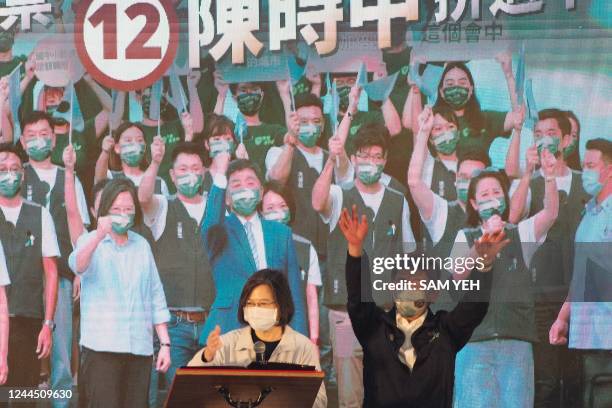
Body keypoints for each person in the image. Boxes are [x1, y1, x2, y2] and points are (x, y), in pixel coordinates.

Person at [340, 205, 501, 407]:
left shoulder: (445, 330)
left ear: (433, 292)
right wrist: (355, 249)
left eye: (418, 283)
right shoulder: (374, 327)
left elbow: (475, 307)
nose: (409, 288)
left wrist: (484, 264)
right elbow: (357, 299)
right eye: (403, 281)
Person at [312, 122, 416, 407]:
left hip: (386, 313)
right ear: (354, 159)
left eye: (376, 156)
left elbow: (408, 256)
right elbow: (316, 201)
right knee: (350, 397)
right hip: (346, 312)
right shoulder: (339, 194)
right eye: (364, 156)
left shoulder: (397, 199)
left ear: (385, 159)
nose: (370, 162)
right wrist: (332, 161)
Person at [449, 161, 559, 408]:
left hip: (516, 340)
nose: (492, 199)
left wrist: (550, 178)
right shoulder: (464, 237)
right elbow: (456, 275)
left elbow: (550, 214)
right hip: (474, 341)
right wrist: (480, 247)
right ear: (475, 204)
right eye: (485, 195)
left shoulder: (521, 234)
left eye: (497, 192)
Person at [508, 108, 589, 407]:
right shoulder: (530, 180)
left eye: (551, 134)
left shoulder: (587, 184)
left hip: (583, 294)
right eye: (538, 135)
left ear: (568, 140)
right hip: (540, 295)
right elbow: (513, 216)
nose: (544, 141)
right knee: (545, 378)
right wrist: (528, 173)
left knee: (580, 375)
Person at [68, 179, 171, 408]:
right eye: (116, 210)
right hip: (101, 350)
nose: (123, 215)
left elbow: (155, 294)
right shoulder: (90, 242)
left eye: (128, 209)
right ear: (103, 211)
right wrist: (98, 234)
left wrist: (164, 343)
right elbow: (77, 265)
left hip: (140, 350)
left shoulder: (142, 245)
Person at [19, 111, 90, 406]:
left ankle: (61, 403)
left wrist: (80, 274)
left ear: (54, 137)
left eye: (44, 133)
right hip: (19, 278)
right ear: (22, 141)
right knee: (20, 349)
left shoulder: (69, 177)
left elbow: (80, 231)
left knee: (61, 351)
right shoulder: (13, 174)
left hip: (60, 275)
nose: (38, 140)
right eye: (31, 135)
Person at [199, 156, 307, 343]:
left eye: (250, 182)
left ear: (261, 190)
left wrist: (300, 341)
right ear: (226, 197)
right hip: (229, 329)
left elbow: (294, 293)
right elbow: (209, 223)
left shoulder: (281, 233)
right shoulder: (219, 230)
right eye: (236, 184)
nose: (244, 188)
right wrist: (220, 177)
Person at [138, 140, 215, 401]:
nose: (190, 174)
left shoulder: (216, 206)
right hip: (175, 324)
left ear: (204, 172)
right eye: (183, 169)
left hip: (211, 323)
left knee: (211, 397)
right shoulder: (163, 206)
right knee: (179, 396)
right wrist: (155, 161)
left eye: (195, 168)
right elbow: (143, 197)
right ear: (172, 175)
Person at [188, 269, 327, 408]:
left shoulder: (303, 347)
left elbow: (320, 400)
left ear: (281, 305)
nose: (255, 309)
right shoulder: (226, 343)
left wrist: (288, 398)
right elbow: (189, 384)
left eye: (263, 303)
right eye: (250, 303)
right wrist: (208, 355)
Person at [549, 138, 612, 408]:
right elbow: (581, 276)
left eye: (591, 165)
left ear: (609, 169)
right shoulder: (588, 215)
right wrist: (563, 317)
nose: (585, 171)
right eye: (584, 165)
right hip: (587, 334)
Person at [0, 143, 58, 403]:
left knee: (24, 397)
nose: (9, 174)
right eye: (2, 169)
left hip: (28, 320)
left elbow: (51, 272)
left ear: (23, 175)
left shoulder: (40, 214)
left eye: (14, 169)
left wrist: (47, 324)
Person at [266, 92, 352, 263]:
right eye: (303, 122)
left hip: (331, 254)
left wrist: (338, 153)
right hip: (293, 252)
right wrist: (290, 142)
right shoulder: (278, 152)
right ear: (293, 122)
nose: (310, 127)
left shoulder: (333, 156)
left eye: (316, 121)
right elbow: (276, 181)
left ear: (323, 124)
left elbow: (347, 182)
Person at [407, 106, 491, 259]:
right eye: (438, 128)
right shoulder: (429, 167)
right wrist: (423, 132)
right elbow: (414, 179)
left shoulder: (473, 166)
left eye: (450, 126)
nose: (445, 133)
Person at [261, 181, 322, 345]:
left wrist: (314, 340)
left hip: (295, 333)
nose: (278, 212)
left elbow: (311, 298)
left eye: (282, 205)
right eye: (270, 208)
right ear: (260, 212)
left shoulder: (305, 247)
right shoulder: (252, 245)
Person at [94, 121, 170, 196]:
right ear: (117, 148)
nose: (135, 144)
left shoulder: (159, 183)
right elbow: (100, 181)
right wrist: (105, 152)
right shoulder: (110, 177)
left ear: (145, 147)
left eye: (139, 140)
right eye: (128, 140)